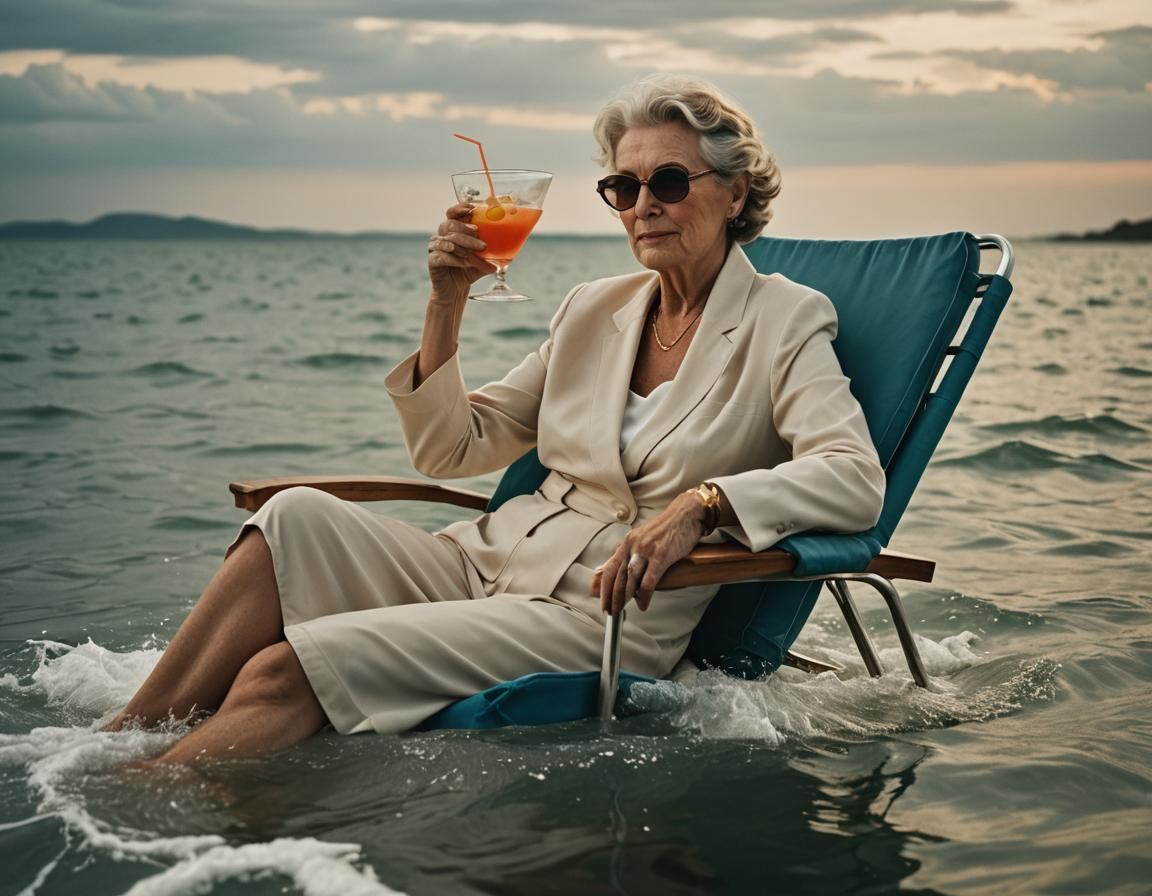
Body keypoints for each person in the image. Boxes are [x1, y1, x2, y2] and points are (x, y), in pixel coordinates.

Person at [104, 75, 885, 763]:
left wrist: (703, 505)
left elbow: (853, 479)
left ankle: (127, 815)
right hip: (482, 563)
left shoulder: (783, 319)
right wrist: (446, 301)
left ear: (735, 192)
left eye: (671, 181)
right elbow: (452, 450)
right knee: (291, 519)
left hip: (598, 613)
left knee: (282, 670)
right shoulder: (594, 307)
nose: (643, 205)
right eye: (623, 186)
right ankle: (104, 748)